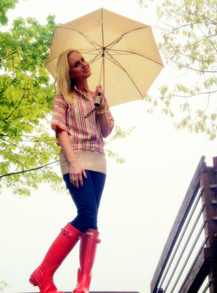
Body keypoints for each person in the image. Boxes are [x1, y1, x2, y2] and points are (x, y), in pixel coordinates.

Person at [29, 49, 115, 293]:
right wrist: (74, 162)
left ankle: (83, 284)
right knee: (86, 214)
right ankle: (44, 272)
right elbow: (60, 131)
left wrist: (99, 104)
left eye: (83, 60)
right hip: (75, 159)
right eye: (76, 64)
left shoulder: (97, 96)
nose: (83, 65)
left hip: (99, 162)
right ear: (70, 73)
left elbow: (106, 131)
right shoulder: (62, 97)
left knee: (92, 222)